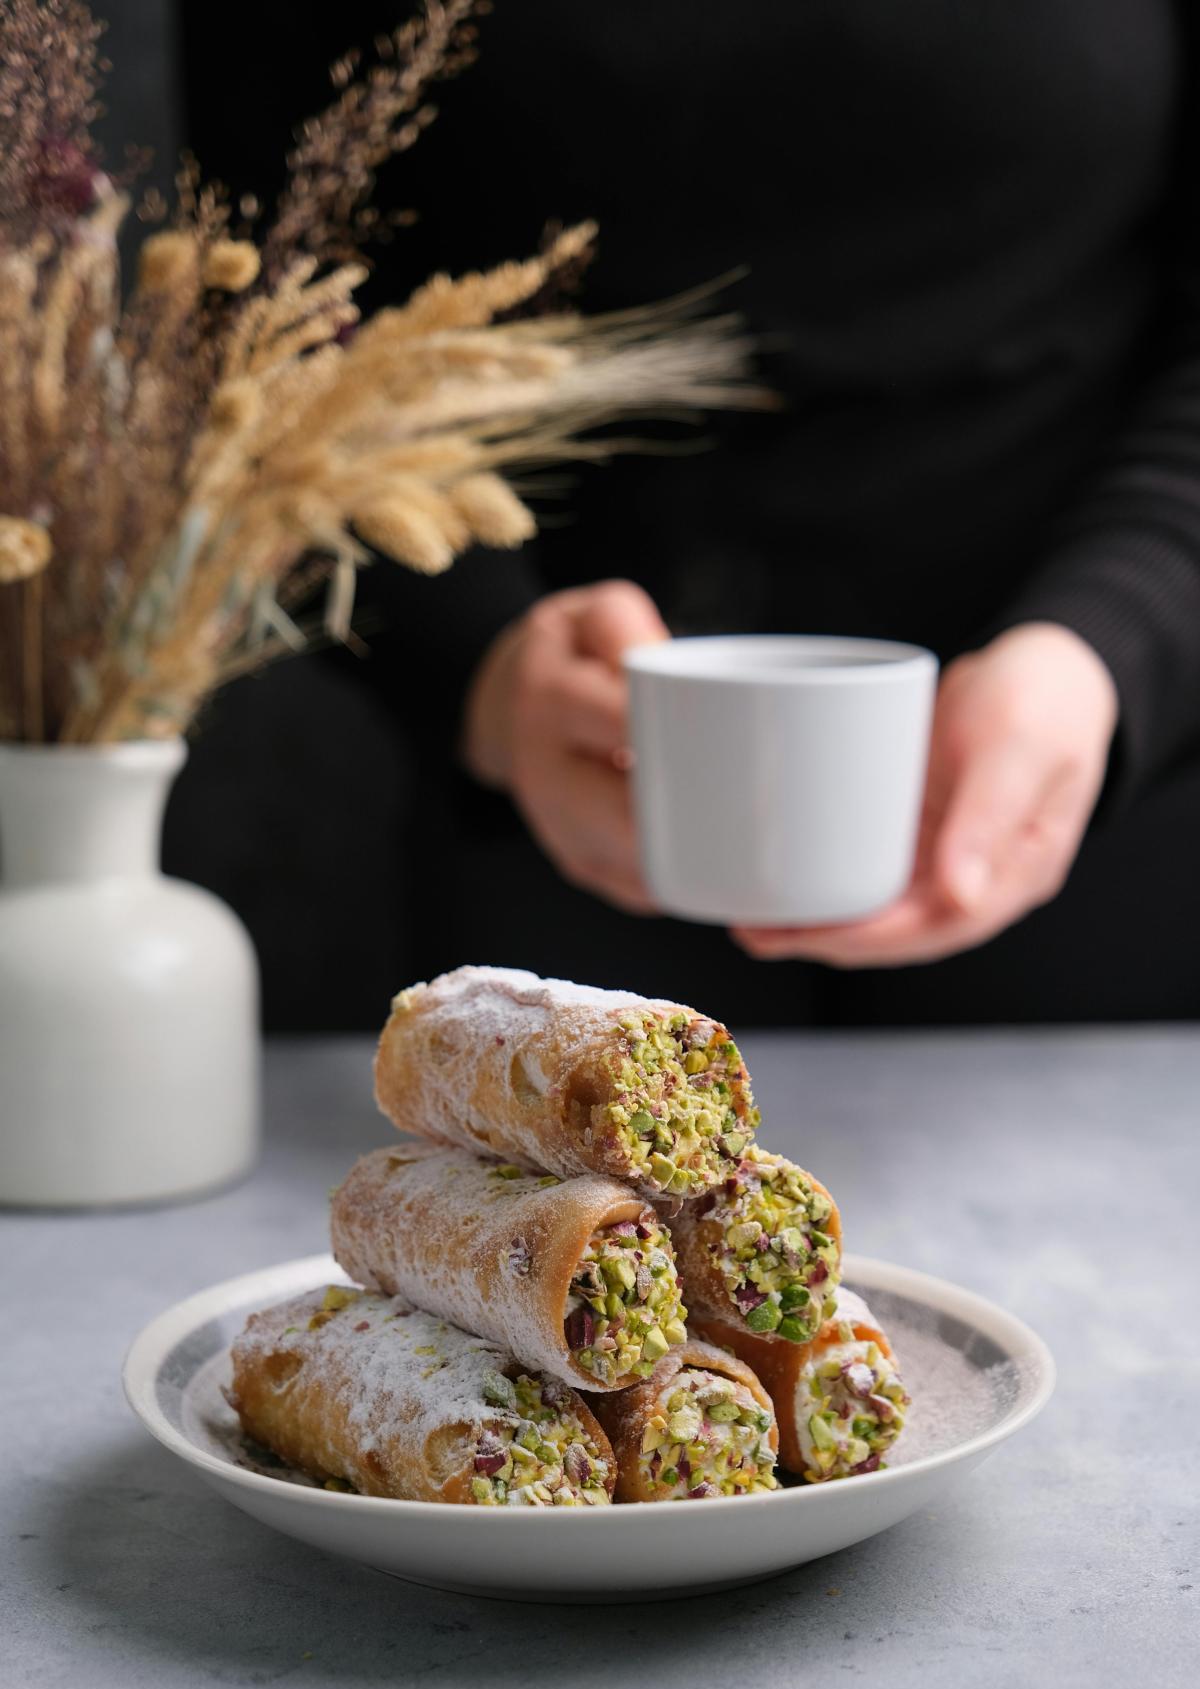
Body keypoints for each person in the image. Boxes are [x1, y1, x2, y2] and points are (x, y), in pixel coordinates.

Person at [173, 0, 1200, 1026]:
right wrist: (478, 660)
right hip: (555, 792)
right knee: (569, 1181)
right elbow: (271, 307)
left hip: (1075, 776)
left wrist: (1116, 635)